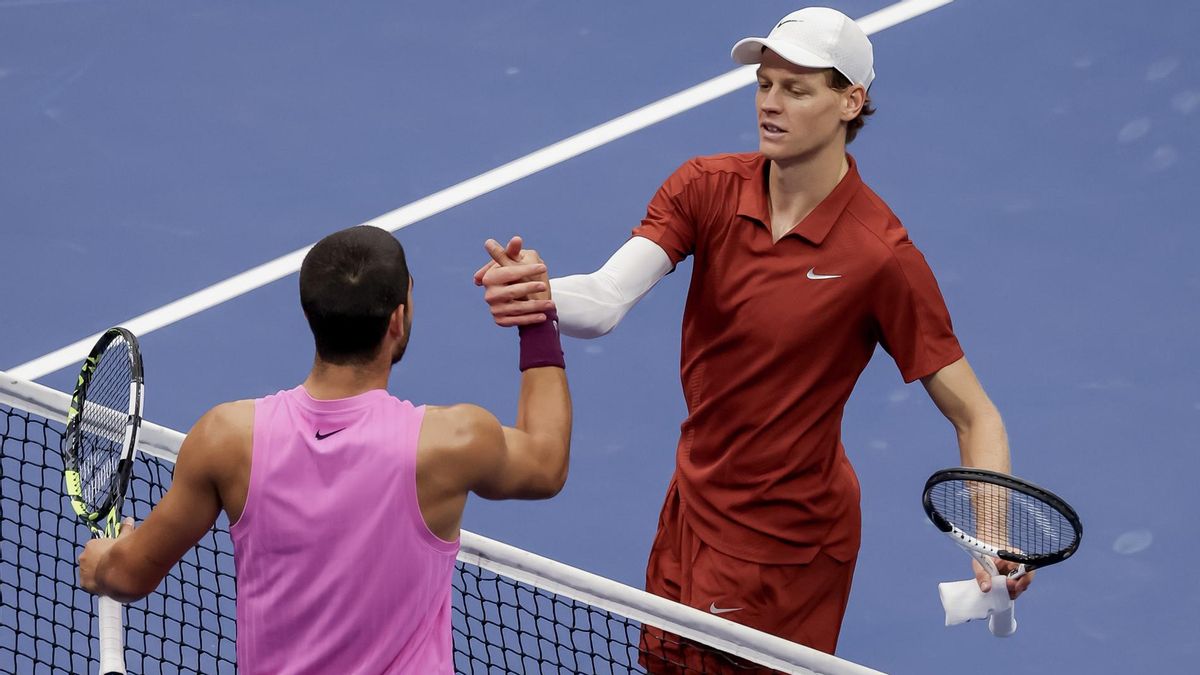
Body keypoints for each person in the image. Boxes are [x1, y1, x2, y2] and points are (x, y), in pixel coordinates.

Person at [476, 6, 1031, 661]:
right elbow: (604, 300)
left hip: (783, 546)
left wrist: (990, 537)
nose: (770, 103)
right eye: (764, 84)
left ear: (850, 102)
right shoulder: (704, 188)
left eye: (796, 89)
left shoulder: (879, 256)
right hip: (692, 504)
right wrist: (541, 292)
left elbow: (975, 414)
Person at [78, 225, 570, 673]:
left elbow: (127, 576)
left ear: (309, 314)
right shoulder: (452, 441)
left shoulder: (225, 438)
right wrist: (535, 316)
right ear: (397, 319)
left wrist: (104, 561)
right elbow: (546, 463)